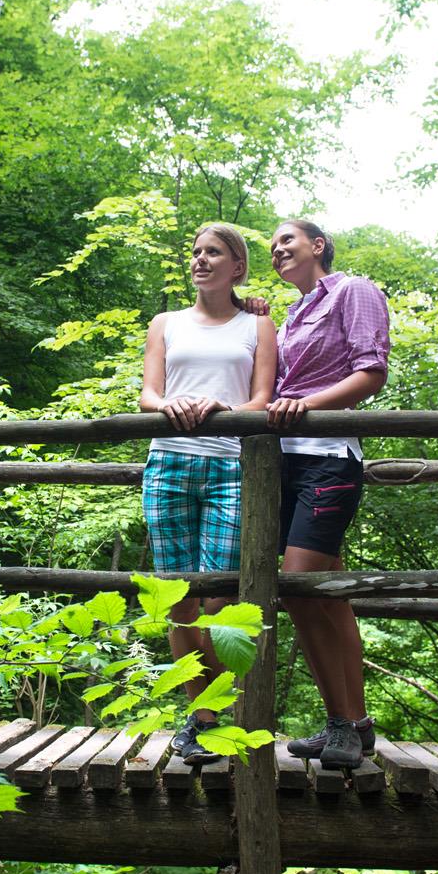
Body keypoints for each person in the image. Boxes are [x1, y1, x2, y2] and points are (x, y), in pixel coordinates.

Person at [140, 223, 277, 764]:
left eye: (213, 252)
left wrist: (217, 412)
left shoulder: (258, 327)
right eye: (196, 252)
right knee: (179, 601)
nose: (201, 260)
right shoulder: (165, 323)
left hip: (231, 468)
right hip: (168, 464)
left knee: (220, 602)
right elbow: (150, 395)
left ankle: (216, 713)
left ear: (237, 267)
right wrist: (170, 407)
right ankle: (199, 720)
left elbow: (263, 399)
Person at [265, 219, 390, 769]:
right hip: (281, 460)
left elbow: (371, 372)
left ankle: (340, 721)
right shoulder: (289, 314)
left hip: (329, 456)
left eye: (286, 240)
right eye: (271, 245)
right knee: (328, 595)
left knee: (296, 586)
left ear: (318, 246)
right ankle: (355, 724)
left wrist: (311, 407)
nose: (277, 249)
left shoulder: (352, 290)